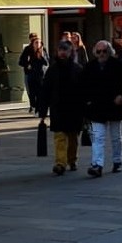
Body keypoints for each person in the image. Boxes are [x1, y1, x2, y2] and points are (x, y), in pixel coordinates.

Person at [82, 40, 122, 177]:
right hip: (97, 107)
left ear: (109, 52)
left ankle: (117, 161)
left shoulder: (118, 65)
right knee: (98, 137)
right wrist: (87, 102)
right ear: (95, 53)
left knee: (116, 137)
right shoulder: (90, 67)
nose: (102, 54)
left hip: (114, 105)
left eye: (104, 51)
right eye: (99, 51)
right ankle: (97, 165)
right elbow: (82, 85)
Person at [37, 39, 84, 176]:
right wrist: (43, 111)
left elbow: (84, 91)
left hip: (74, 109)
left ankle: (72, 159)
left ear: (71, 52)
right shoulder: (52, 70)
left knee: (73, 138)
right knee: (59, 137)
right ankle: (60, 163)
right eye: (60, 50)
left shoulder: (78, 70)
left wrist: (86, 109)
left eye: (66, 50)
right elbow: (45, 90)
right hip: (57, 108)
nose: (62, 53)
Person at [18, 33, 48, 114]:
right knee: (31, 92)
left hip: (40, 75)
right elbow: (20, 61)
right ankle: (33, 106)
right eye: (35, 41)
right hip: (30, 74)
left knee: (40, 93)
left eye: (39, 42)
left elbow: (46, 63)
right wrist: (27, 65)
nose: (37, 43)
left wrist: (41, 55)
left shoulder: (43, 50)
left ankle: (38, 109)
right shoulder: (27, 49)